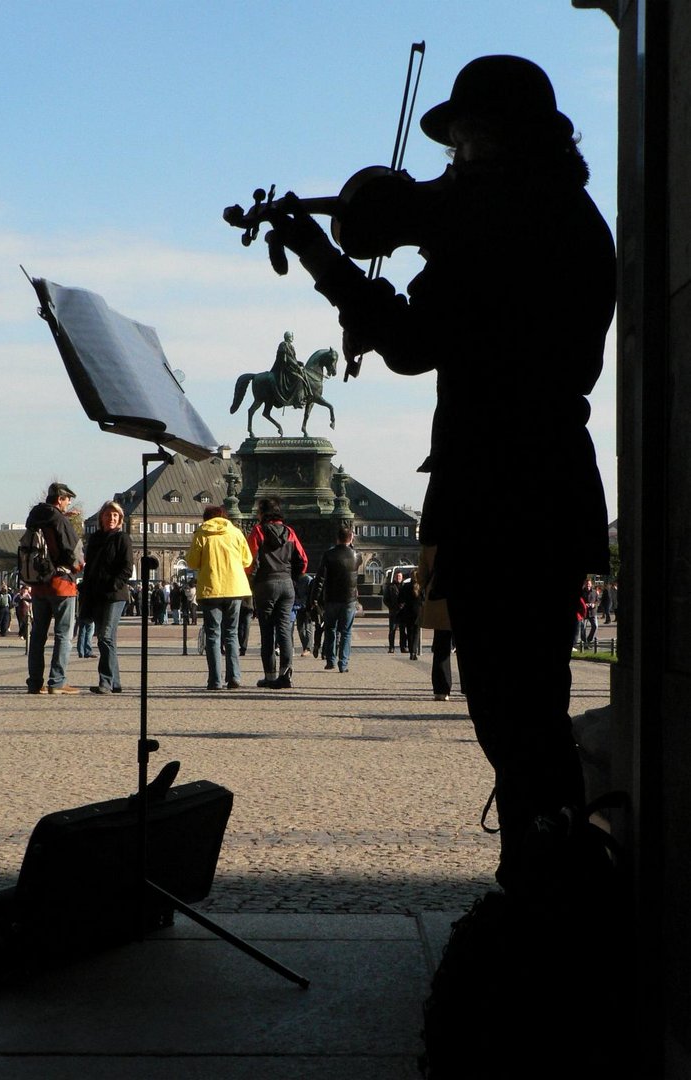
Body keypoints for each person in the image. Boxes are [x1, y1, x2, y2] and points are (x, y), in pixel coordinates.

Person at [262, 55, 615, 898]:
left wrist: (320, 254)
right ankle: (547, 869)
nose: (446, 170)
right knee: (533, 701)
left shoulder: (505, 223)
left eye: (460, 148)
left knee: (511, 709)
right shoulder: (570, 216)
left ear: (494, 141)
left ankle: (548, 889)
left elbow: (414, 342)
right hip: (551, 478)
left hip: (499, 484)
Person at [25, 482, 84, 695]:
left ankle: (34, 682)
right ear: (60, 499)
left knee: (38, 634)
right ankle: (57, 681)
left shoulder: (34, 517)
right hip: (61, 585)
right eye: (67, 499)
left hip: (38, 585)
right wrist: (78, 567)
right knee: (63, 635)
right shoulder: (59, 519)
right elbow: (72, 552)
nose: (69, 503)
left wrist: (64, 517)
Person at [186, 505, 253, 690]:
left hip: (211, 588)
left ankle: (215, 680)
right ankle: (234, 678)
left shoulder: (202, 534)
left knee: (213, 635)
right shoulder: (236, 533)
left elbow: (191, 562)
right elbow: (247, 560)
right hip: (234, 588)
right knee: (232, 634)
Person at [246, 496, 308, 689]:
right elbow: (303, 560)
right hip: (287, 584)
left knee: (267, 631)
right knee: (284, 631)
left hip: (266, 585)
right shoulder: (290, 533)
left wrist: (252, 582)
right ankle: (286, 675)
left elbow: (249, 562)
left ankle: (270, 676)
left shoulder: (258, 531)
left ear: (263, 513)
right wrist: (293, 577)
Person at [79, 500, 134, 694]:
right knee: (108, 639)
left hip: (115, 594)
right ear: (101, 517)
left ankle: (106, 681)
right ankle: (115, 682)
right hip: (96, 594)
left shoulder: (123, 539)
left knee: (105, 637)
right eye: (107, 515)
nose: (111, 518)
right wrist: (85, 589)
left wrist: (114, 583)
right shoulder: (94, 540)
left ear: (120, 519)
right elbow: (90, 568)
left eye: (115, 516)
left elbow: (127, 568)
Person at [314, 525, 361, 673]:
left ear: (337, 538)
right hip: (349, 598)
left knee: (330, 629)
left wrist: (315, 597)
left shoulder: (328, 555)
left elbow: (320, 578)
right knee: (346, 631)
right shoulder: (356, 556)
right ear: (351, 538)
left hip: (331, 598)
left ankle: (330, 660)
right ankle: (344, 663)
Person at [272, 330, 311, 407]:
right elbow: (286, 358)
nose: (293, 338)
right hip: (284, 368)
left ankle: (308, 393)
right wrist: (296, 366)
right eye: (292, 336)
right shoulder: (283, 345)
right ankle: (297, 400)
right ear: (289, 337)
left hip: (290, 367)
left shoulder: (291, 346)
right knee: (298, 379)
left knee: (303, 373)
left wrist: (299, 363)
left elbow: (293, 359)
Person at [383, 571, 407, 653]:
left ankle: (403, 647)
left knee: (403, 631)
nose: (398, 578)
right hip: (394, 612)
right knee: (392, 630)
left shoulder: (405, 586)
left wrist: (404, 605)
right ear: (394, 577)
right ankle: (391, 647)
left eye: (400, 576)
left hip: (403, 612)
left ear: (402, 577)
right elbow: (385, 599)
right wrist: (392, 607)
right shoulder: (390, 587)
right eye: (397, 576)